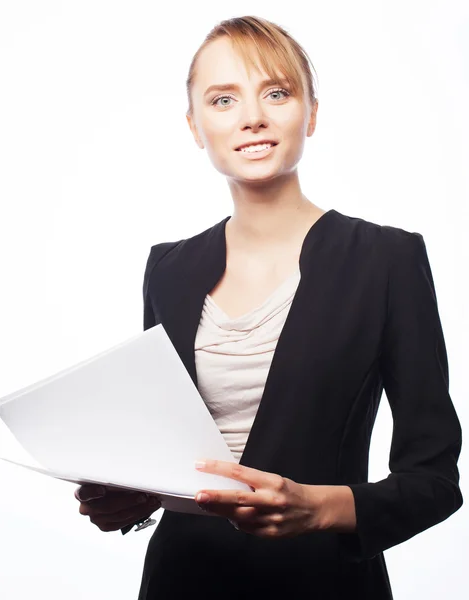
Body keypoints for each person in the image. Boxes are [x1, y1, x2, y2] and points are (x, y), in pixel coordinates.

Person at [74, 15, 463, 599]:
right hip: (182, 581)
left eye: (275, 93)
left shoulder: (387, 258)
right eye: (223, 99)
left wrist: (322, 508)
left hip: (323, 583)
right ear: (195, 126)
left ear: (310, 112)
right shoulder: (169, 268)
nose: (251, 117)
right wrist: (129, 499)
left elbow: (434, 480)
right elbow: (166, 451)